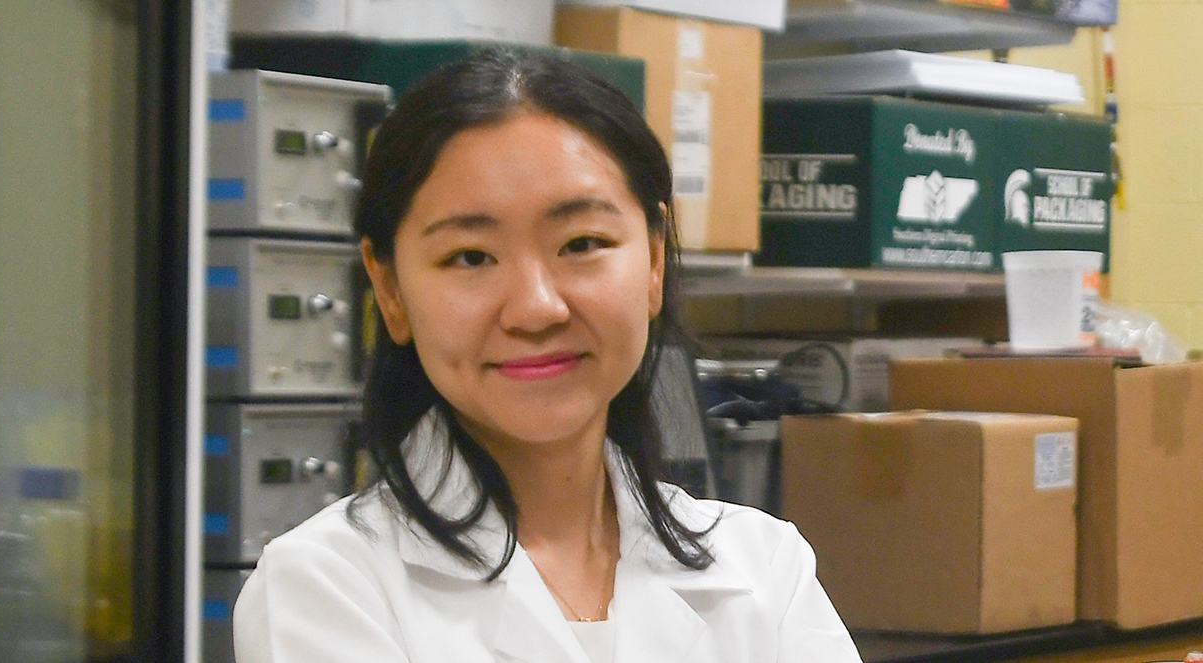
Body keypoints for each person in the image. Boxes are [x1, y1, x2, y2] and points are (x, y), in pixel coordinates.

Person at [234, 50, 862, 663]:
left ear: (651, 261)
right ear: (390, 290)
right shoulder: (326, 586)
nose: (536, 308)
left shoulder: (764, 570)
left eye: (581, 243)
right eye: (471, 257)